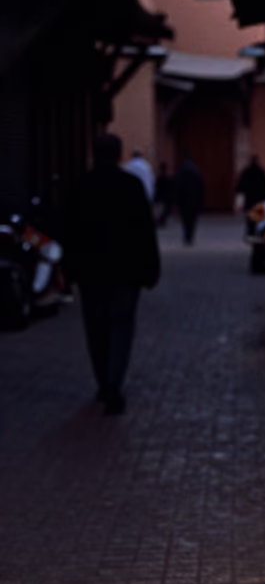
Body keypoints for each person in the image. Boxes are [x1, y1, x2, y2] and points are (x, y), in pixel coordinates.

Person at [65, 133, 160, 414]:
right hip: (126, 271)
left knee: (96, 329)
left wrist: (69, 269)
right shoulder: (131, 186)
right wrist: (150, 268)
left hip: (91, 272)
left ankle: (104, 382)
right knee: (121, 326)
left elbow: (69, 231)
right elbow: (145, 231)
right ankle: (114, 383)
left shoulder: (81, 186)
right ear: (119, 155)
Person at [175, 158, 205, 246]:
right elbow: (201, 188)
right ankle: (190, 235)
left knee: (185, 219)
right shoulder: (196, 173)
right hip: (194, 200)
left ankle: (186, 235)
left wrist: (177, 200)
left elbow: (177, 187)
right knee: (192, 220)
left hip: (184, 200)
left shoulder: (181, 173)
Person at [154, 162, 175, 227]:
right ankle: (161, 221)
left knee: (160, 211)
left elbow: (156, 187)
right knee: (163, 210)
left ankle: (160, 221)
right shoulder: (168, 178)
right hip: (165, 197)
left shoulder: (159, 178)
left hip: (160, 197)